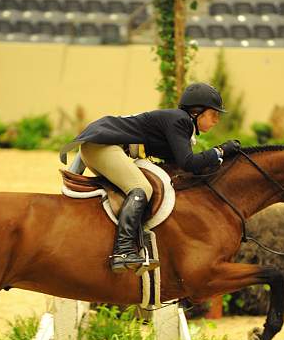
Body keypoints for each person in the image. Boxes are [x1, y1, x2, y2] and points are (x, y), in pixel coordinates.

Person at [60, 82, 240, 275]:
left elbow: (181, 166)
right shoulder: (181, 120)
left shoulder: (179, 124)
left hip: (100, 146)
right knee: (141, 188)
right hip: (102, 146)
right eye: (214, 114)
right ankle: (123, 251)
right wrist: (220, 151)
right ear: (197, 112)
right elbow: (189, 162)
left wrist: (219, 159)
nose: (217, 120)